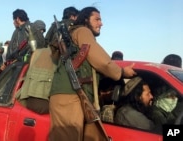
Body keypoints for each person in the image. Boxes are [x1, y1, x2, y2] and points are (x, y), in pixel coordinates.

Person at [49, 7, 136, 141]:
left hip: (71, 94)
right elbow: (102, 61)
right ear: (85, 20)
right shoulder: (82, 31)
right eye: (97, 19)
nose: (101, 23)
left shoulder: (74, 34)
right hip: (69, 95)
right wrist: (122, 72)